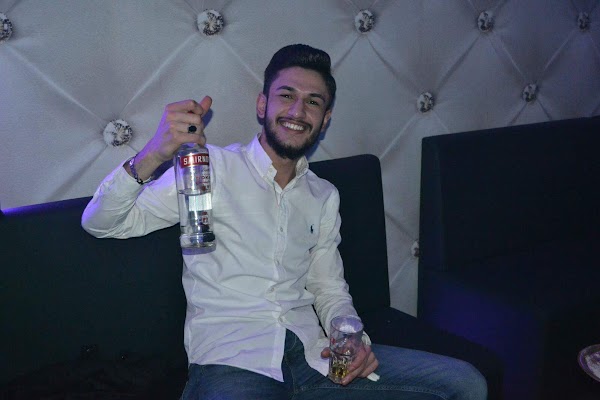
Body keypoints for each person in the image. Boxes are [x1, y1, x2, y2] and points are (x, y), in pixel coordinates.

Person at [82, 44, 487, 400]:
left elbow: (329, 287)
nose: (297, 111)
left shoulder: (323, 195)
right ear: (263, 105)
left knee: (465, 382)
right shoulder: (208, 169)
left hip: (316, 358)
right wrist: (153, 154)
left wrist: (352, 337)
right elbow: (102, 223)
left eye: (313, 102)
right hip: (234, 361)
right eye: (286, 95)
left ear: (325, 118)